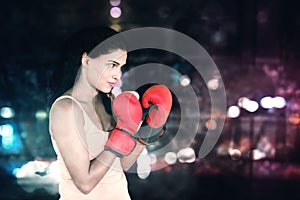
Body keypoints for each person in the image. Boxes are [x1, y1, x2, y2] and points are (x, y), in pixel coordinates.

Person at [48, 26, 173, 200]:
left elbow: (121, 163)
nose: (117, 75)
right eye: (112, 65)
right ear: (86, 60)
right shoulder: (66, 109)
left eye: (120, 67)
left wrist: (147, 133)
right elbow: (84, 183)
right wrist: (121, 135)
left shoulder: (110, 101)